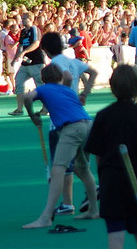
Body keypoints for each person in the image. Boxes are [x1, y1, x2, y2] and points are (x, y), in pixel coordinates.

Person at [85, 64, 137, 249]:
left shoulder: (102, 116)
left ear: (112, 86)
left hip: (111, 183)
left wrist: (104, 180)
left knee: (115, 238)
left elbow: (97, 155)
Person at [22, 64, 99, 228]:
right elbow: (69, 78)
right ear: (60, 78)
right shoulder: (69, 90)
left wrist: (32, 116)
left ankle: (46, 217)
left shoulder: (43, 89)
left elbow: (27, 98)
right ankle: (93, 209)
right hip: (88, 125)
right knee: (82, 168)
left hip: (71, 128)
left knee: (58, 169)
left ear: (43, 79)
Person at [40, 32, 99, 216]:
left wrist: (60, 95)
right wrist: (84, 94)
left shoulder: (56, 64)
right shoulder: (72, 60)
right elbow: (94, 72)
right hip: (79, 114)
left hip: (63, 118)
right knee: (80, 162)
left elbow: (66, 77)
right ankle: (89, 194)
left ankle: (67, 202)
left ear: (46, 50)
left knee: (63, 163)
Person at [9, 12, 46, 116]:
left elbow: (36, 43)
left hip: (37, 62)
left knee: (40, 85)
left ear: (30, 19)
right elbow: (20, 46)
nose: (22, 20)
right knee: (18, 82)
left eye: (24, 18)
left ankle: (46, 108)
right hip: (25, 64)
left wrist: (24, 52)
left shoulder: (34, 29)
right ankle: (19, 109)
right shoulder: (23, 31)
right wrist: (16, 58)